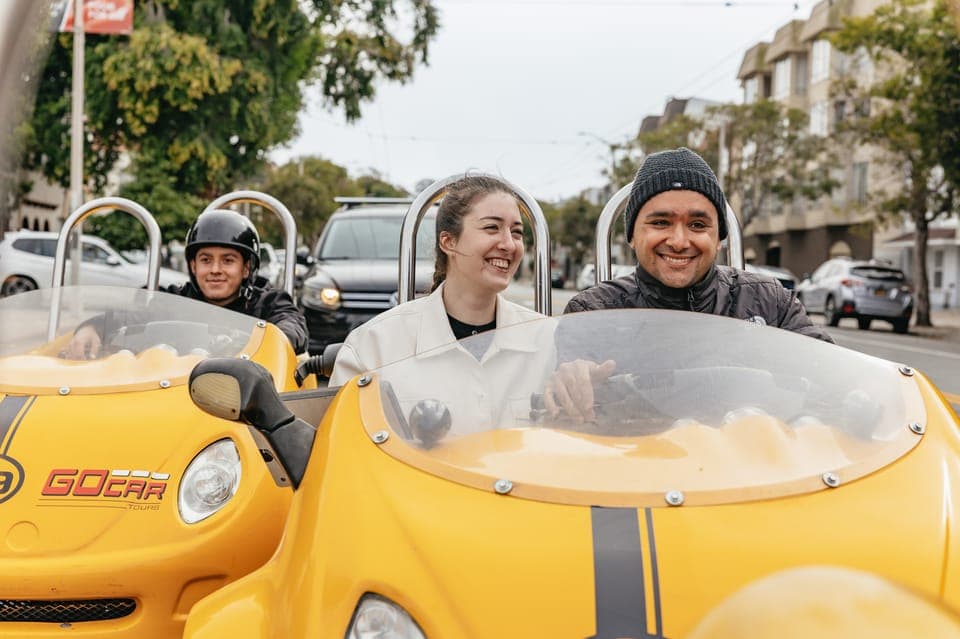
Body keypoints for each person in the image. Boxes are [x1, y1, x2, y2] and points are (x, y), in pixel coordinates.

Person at [546, 146, 833, 421]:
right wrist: (572, 384)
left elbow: (833, 381)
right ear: (632, 236)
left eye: (697, 225)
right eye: (660, 223)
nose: (680, 241)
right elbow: (568, 424)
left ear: (718, 237)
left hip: (753, 464)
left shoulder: (770, 303)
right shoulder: (593, 313)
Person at [329, 175, 555, 432]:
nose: (508, 244)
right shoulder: (373, 345)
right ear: (448, 242)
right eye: (492, 228)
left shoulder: (547, 340)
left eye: (516, 232)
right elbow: (343, 447)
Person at [65, 209, 308, 358]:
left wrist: (277, 339)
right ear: (193, 266)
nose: (215, 270)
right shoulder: (174, 301)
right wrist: (93, 328)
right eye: (206, 260)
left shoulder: (267, 302)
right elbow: (131, 318)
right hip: (178, 406)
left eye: (227, 260)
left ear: (246, 268)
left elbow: (292, 325)